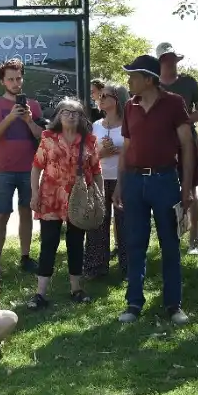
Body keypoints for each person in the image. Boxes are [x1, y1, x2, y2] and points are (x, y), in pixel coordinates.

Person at [114, 54, 194, 324]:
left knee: (170, 243)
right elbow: (126, 147)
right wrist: (120, 185)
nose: (129, 81)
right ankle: (134, 304)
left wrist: (187, 187)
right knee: (135, 243)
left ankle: (173, 304)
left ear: (149, 79)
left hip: (165, 180)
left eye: (133, 76)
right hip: (135, 182)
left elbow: (187, 145)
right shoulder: (129, 106)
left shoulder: (174, 103)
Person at [26, 98, 101, 309]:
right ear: (58, 115)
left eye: (76, 113)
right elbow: (36, 167)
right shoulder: (48, 138)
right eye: (66, 112)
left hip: (79, 199)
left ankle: (76, 289)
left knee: (76, 243)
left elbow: (96, 172)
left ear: (81, 118)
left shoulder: (89, 141)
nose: (71, 115)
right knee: (48, 243)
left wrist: (99, 197)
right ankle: (40, 293)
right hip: (51, 198)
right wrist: (34, 194)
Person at [0, 58, 43, 273]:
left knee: (26, 211)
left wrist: (28, 120)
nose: (16, 83)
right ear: (3, 82)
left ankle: (25, 256)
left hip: (30, 169)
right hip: (4, 170)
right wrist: (10, 117)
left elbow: (41, 137)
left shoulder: (33, 105)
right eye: (11, 79)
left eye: (18, 78)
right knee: (1, 214)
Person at [156, 43, 198, 254]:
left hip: (187, 141)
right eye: (166, 58)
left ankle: (194, 239)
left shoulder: (188, 82)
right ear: (159, 61)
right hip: (160, 143)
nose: (170, 62)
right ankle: (170, 236)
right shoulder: (152, 84)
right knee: (163, 189)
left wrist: (182, 122)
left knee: (191, 188)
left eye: (172, 58)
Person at [83, 83, 127, 280]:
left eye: (105, 96)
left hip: (123, 179)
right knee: (97, 224)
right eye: (99, 95)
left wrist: (121, 151)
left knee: (126, 224)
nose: (100, 98)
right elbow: (88, 155)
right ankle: (95, 267)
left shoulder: (128, 124)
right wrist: (102, 152)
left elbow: (136, 151)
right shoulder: (96, 126)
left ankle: (128, 268)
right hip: (99, 179)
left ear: (117, 99)